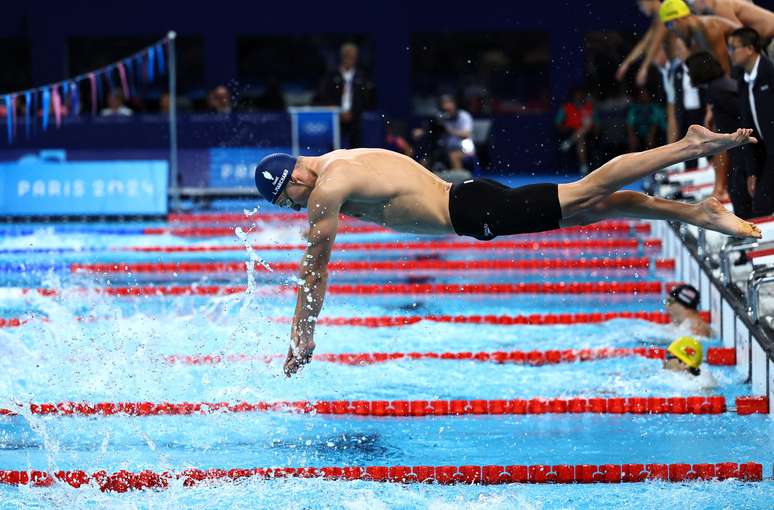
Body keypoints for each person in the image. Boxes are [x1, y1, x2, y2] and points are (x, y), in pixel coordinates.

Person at [253, 126, 762, 376]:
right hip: (472, 202)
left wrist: (302, 336)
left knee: (587, 193)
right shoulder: (336, 160)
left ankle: (690, 147)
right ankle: (695, 212)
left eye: (288, 200)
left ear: (295, 178)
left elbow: (313, 268)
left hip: (474, 212)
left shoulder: (327, 186)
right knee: (594, 207)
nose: (295, 209)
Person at [686, 51, 749, 215]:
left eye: (689, 71)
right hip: (743, 149)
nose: (688, 76)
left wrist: (719, 188)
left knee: (740, 195)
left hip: (745, 151)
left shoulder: (718, 91)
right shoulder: (721, 86)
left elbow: (721, 142)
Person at [729, 27, 774, 217]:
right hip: (765, 153)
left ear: (749, 49)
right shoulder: (743, 80)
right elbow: (748, 127)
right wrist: (752, 172)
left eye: (734, 48)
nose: (730, 53)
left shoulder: (770, 73)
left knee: (762, 204)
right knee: (758, 202)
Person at [314, 43, 373, 148]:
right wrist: (336, 110)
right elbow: (322, 96)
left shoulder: (361, 76)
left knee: (356, 149)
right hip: (335, 118)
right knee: (333, 148)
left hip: (355, 118)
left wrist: (353, 112)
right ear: (342, 56)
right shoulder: (331, 75)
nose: (350, 58)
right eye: (347, 55)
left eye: (352, 56)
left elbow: (366, 99)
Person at [555, 87, 598, 175]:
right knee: (580, 140)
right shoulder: (566, 107)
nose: (579, 97)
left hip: (588, 133)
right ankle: (584, 166)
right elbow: (557, 122)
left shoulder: (589, 107)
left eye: (580, 95)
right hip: (571, 131)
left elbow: (596, 123)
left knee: (586, 126)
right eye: (576, 95)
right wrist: (563, 129)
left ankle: (569, 143)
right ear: (573, 97)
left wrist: (596, 130)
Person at [438, 94, 476, 171]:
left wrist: (450, 132)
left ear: (455, 104)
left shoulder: (464, 116)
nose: (447, 106)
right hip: (445, 149)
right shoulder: (441, 118)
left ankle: (459, 180)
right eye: (444, 104)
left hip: (465, 150)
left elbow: (466, 134)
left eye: (449, 103)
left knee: (453, 155)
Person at [627, 88, 666, 152]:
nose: (643, 96)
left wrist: (650, 135)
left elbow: (655, 124)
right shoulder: (634, 108)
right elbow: (629, 124)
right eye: (642, 94)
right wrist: (632, 136)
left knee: (651, 140)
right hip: (638, 133)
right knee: (632, 141)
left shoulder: (654, 107)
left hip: (655, 133)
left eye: (645, 94)